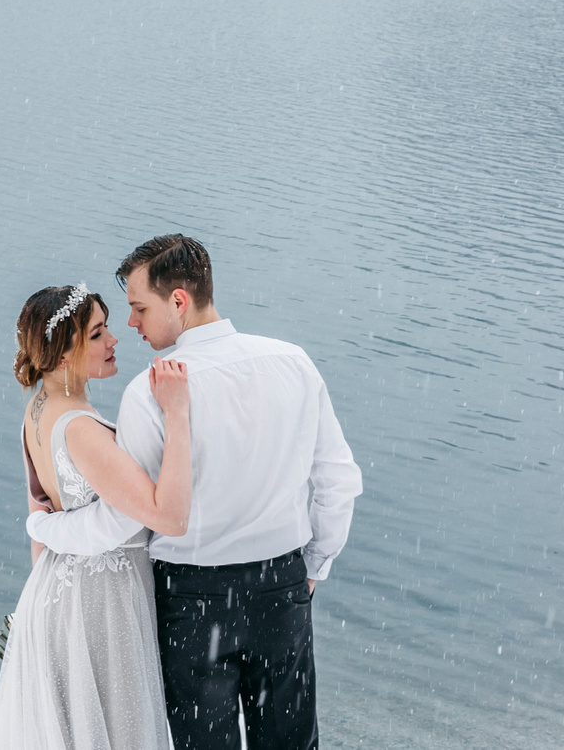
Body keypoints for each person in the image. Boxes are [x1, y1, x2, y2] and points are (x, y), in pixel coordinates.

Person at [27, 236, 360, 750]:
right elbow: (337, 480)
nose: (132, 324)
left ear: (177, 301)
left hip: (191, 601)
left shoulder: (148, 394)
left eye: (139, 308)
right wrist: (313, 567)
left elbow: (127, 517)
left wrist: (44, 525)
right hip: (282, 588)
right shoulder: (293, 363)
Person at [0, 282, 194, 750]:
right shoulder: (80, 429)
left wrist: (49, 610)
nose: (114, 339)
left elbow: (38, 510)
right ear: (63, 355)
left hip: (55, 592)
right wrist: (177, 415)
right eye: (97, 334)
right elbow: (167, 516)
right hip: (102, 602)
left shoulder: (37, 410)